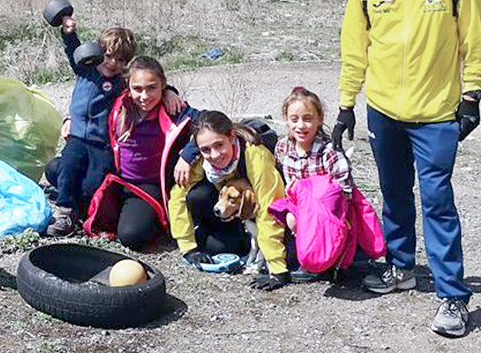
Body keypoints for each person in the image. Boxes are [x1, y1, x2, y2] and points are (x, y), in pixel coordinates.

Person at [333, 0, 481, 337]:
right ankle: (400, 268)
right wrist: (347, 105)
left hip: (437, 114)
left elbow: (474, 44)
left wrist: (472, 96)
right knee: (395, 193)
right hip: (384, 113)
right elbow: (354, 52)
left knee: (438, 202)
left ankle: (452, 297)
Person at [46, 19, 184, 236]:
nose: (112, 63)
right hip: (78, 139)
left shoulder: (121, 83)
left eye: (120, 60)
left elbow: (148, 81)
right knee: (66, 167)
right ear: (99, 52)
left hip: (103, 144)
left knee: (92, 184)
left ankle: (87, 210)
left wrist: (169, 91)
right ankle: (65, 211)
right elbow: (74, 49)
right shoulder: (86, 68)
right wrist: (68, 32)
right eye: (108, 55)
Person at [81, 57, 199, 251]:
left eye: (152, 88)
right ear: (128, 85)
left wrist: (187, 155)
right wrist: (68, 119)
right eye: (138, 89)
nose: (144, 96)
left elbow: (209, 122)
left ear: (163, 85)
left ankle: (149, 215)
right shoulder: (119, 104)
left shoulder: (172, 109)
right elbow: (87, 98)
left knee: (132, 236)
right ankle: (117, 209)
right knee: (58, 169)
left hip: (147, 186)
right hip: (117, 179)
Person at [167, 110, 289, 290]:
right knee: (198, 199)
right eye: (206, 149)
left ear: (231, 137)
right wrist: (188, 248)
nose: (214, 155)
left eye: (219, 145)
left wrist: (277, 268)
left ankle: (250, 241)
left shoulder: (256, 156)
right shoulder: (201, 158)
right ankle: (222, 234)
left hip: (255, 208)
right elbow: (178, 197)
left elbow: (269, 207)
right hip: (234, 209)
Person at [276, 86, 353, 232]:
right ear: (286, 119)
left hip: (327, 211)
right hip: (298, 208)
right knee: (289, 218)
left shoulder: (329, 152)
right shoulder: (283, 148)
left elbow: (345, 191)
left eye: (307, 119)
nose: (300, 126)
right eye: (294, 119)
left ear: (320, 119)